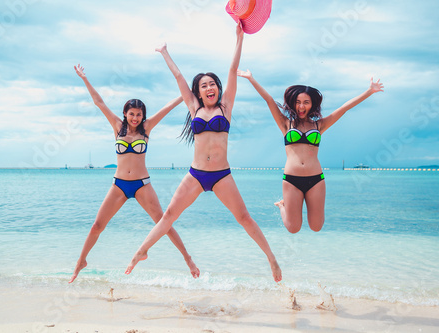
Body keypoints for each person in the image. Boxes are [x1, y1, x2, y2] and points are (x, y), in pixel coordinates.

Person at [125, 24, 282, 282]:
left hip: (221, 175)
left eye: (212, 84)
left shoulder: (226, 106)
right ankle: (141, 252)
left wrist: (239, 38)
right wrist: (165, 52)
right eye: (204, 85)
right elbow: (179, 79)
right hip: (196, 174)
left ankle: (271, 259)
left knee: (244, 217)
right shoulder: (193, 107)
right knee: (168, 217)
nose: (210, 88)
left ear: (217, 88)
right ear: (198, 91)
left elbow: (232, 70)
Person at [69, 64, 200, 283]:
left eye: (139, 115)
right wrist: (84, 78)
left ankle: (188, 260)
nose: (135, 118)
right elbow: (99, 102)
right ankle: (80, 262)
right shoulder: (117, 125)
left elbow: (168, 107)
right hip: (119, 184)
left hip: (142, 184)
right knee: (97, 225)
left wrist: (188, 94)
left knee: (164, 222)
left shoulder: (146, 128)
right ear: (125, 114)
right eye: (132, 114)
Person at [237, 69, 384, 233]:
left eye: (306, 102)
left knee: (316, 227)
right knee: (293, 228)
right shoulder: (285, 124)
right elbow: (269, 100)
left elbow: (344, 108)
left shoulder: (319, 125)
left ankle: (291, 205)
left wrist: (369, 92)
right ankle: (281, 206)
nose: (301, 106)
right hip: (291, 180)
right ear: (293, 103)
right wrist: (251, 78)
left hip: (316, 180)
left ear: (312, 104)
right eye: (298, 102)